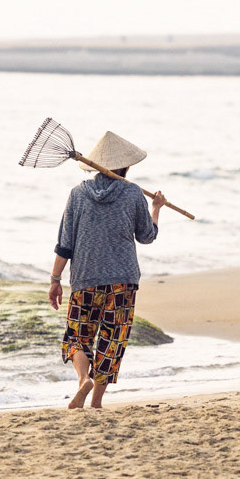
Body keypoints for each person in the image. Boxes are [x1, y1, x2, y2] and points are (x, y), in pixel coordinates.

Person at [47, 132, 164, 410]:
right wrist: (156, 208)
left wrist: (55, 280)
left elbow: (65, 244)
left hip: (85, 279)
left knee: (77, 338)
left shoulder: (77, 194)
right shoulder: (133, 193)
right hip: (122, 282)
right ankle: (96, 401)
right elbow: (147, 236)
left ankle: (82, 379)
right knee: (112, 340)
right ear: (125, 166)